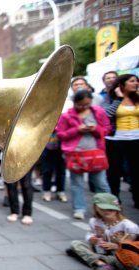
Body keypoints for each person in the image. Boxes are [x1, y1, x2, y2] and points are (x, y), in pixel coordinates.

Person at [56, 89, 112, 220]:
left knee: (101, 183)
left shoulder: (98, 112)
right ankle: (79, 208)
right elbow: (60, 134)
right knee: (77, 183)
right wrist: (77, 130)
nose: (84, 107)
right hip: (75, 154)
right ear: (75, 103)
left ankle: (107, 209)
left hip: (96, 153)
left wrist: (96, 129)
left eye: (87, 104)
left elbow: (107, 129)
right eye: (80, 104)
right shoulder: (66, 116)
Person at [69, 193, 138, 270]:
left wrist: (116, 246)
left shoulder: (129, 226)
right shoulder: (94, 221)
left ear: (118, 209)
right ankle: (101, 263)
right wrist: (91, 238)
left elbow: (132, 248)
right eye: (103, 209)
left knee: (127, 264)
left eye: (111, 209)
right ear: (95, 208)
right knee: (76, 243)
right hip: (99, 249)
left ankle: (99, 262)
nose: (107, 211)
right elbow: (90, 233)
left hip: (118, 255)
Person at [102, 74, 139, 209]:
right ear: (122, 84)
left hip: (135, 138)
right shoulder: (110, 98)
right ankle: (115, 198)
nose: (135, 84)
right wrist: (119, 98)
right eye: (132, 81)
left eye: (136, 81)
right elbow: (106, 115)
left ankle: (137, 199)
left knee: (136, 171)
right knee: (114, 171)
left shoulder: (137, 98)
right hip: (115, 139)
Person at [39, 130, 67, 202]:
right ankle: (47, 191)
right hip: (47, 145)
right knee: (47, 170)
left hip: (61, 146)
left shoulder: (63, 118)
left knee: (61, 171)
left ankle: (60, 191)